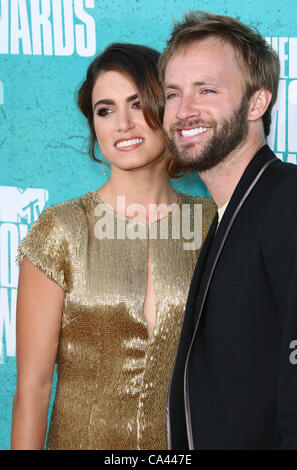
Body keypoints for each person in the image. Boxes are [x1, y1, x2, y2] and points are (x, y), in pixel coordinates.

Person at [10, 43, 216, 450]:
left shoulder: (214, 222)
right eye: (105, 110)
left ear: (167, 108)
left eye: (138, 104)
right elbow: (32, 388)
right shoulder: (62, 229)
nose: (122, 123)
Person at [159, 11, 297, 450]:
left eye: (207, 90)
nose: (184, 111)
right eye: (173, 94)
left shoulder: (287, 199)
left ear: (258, 103)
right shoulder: (228, 215)